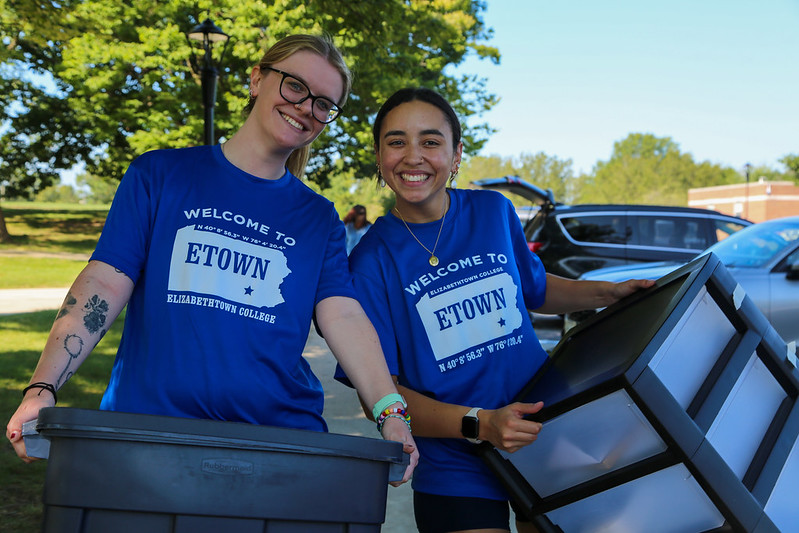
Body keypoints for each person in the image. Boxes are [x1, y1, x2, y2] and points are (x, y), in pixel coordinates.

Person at [6, 34, 418, 485]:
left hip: (277, 447)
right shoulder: (160, 175)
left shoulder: (318, 217)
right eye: (295, 86)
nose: (306, 107)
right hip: (147, 439)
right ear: (256, 80)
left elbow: (343, 315)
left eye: (323, 103)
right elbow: (104, 284)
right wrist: (42, 387)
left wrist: (390, 412)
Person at [336, 87, 654, 532]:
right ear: (378, 154)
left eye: (430, 141)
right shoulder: (367, 263)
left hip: (544, 434)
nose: (413, 157)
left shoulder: (493, 211)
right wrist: (479, 424)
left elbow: (535, 290)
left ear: (457, 153)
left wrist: (609, 293)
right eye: (396, 141)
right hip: (454, 466)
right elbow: (380, 398)